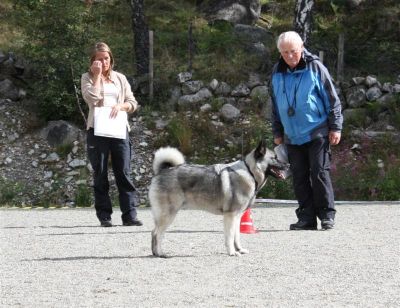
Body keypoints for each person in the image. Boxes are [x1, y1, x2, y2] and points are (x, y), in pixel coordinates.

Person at [270, 31, 343, 230]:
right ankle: (306, 218)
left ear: (301, 48)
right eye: (285, 52)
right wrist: (277, 132)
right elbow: (276, 105)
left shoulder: (316, 67)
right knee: (299, 177)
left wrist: (335, 126)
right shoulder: (277, 72)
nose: (290, 56)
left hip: (317, 130)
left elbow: (332, 100)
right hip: (292, 135)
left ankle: (327, 215)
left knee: (319, 173)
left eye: (293, 51)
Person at [81, 42, 142, 227]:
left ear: (111, 58)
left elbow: (132, 102)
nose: (103, 62)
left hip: (118, 129)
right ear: (93, 61)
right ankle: (105, 216)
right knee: (100, 173)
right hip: (97, 131)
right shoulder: (87, 77)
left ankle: (130, 215)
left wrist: (120, 105)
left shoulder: (120, 78)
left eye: (106, 58)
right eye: (99, 59)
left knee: (123, 172)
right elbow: (92, 98)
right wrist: (98, 76)